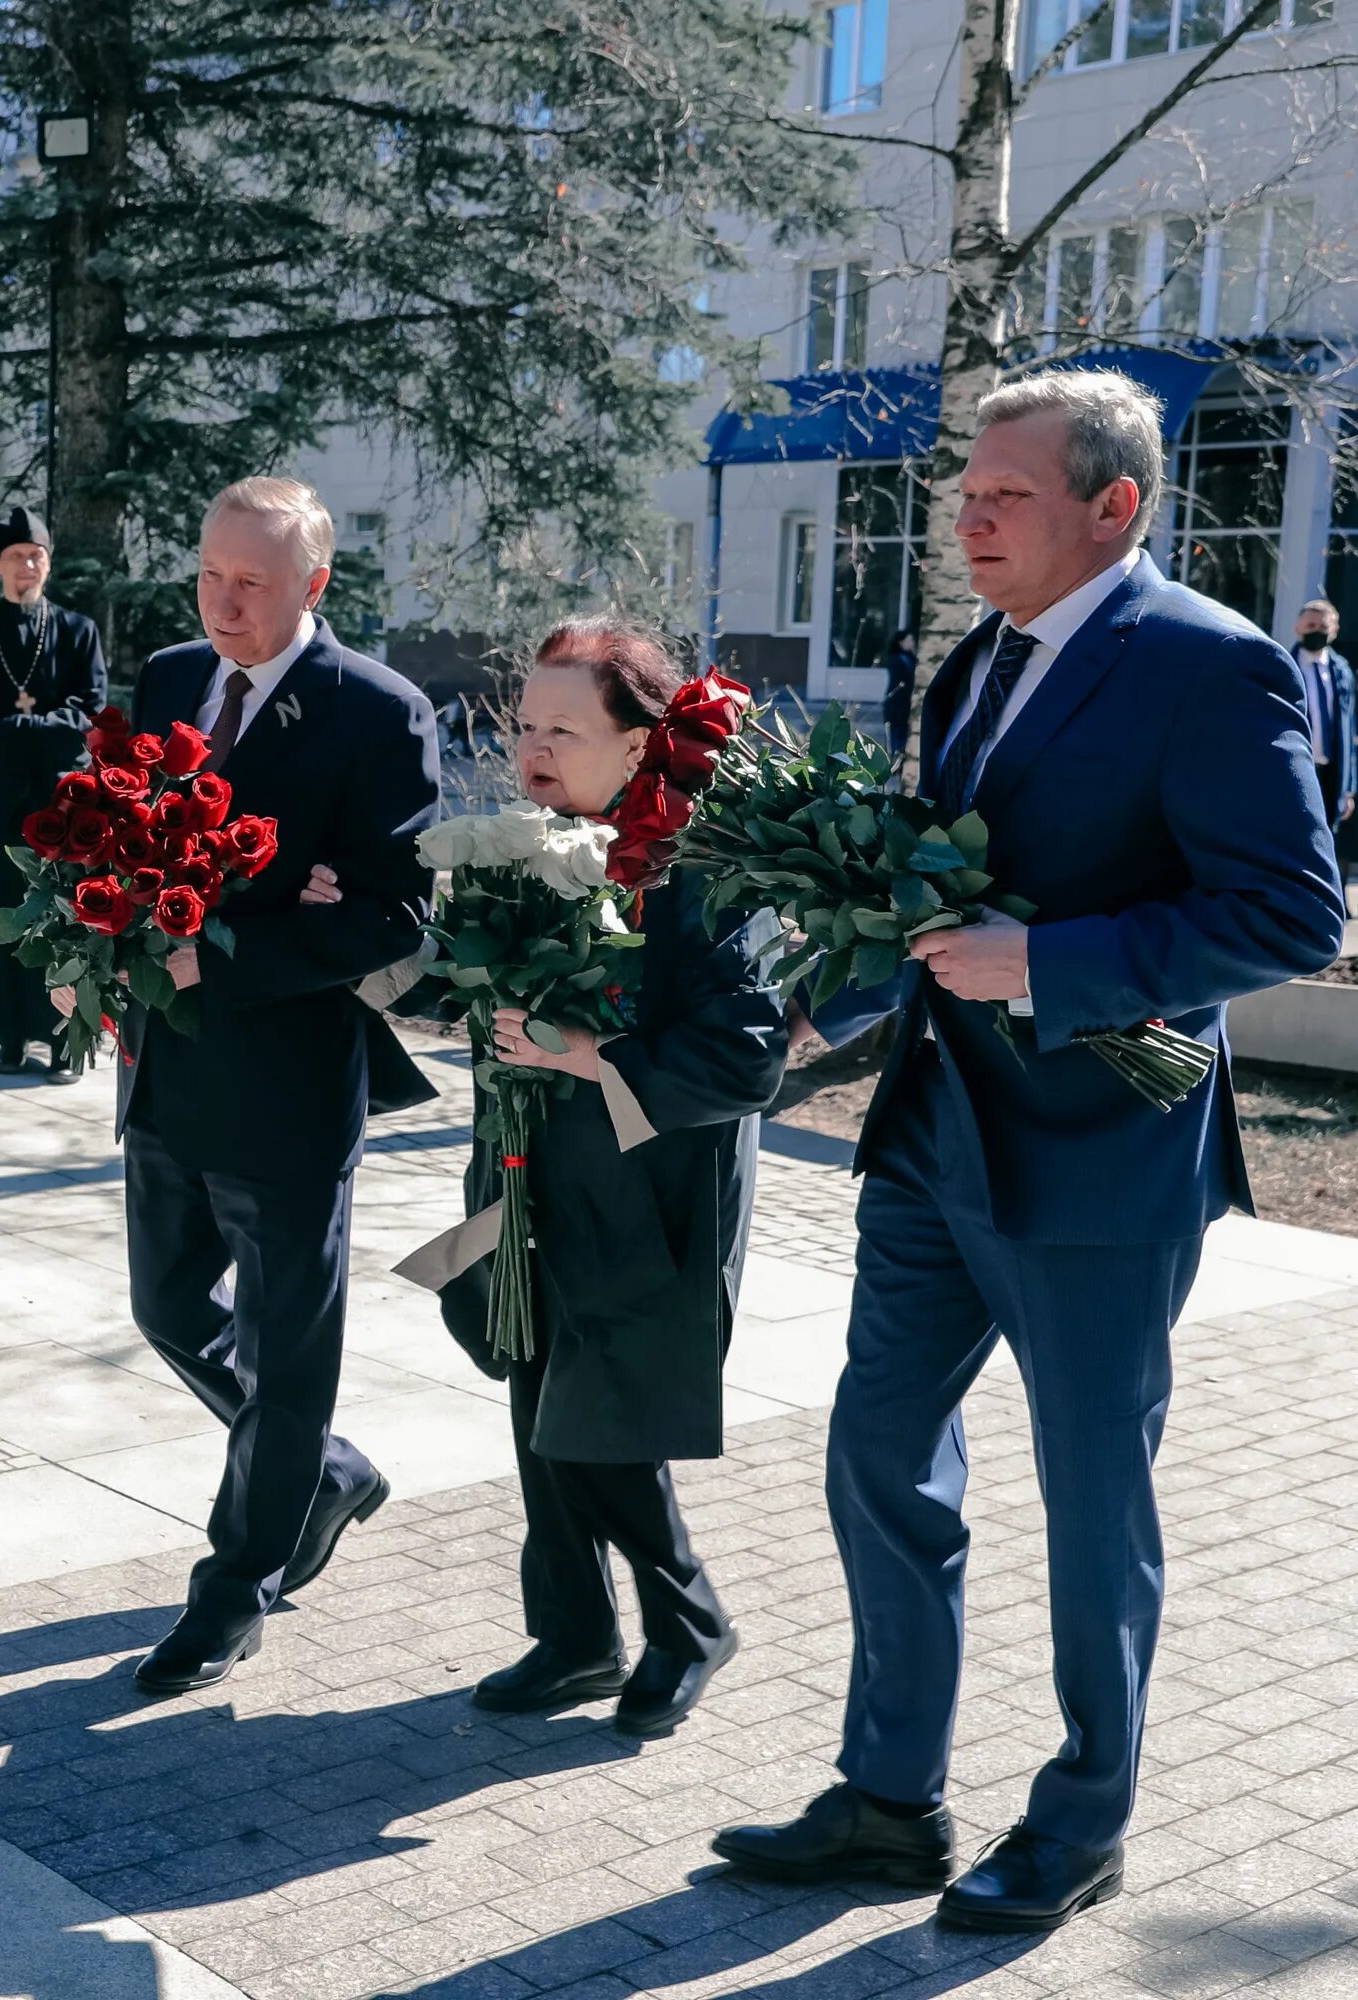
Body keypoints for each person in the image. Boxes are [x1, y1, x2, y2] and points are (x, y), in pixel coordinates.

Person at [714, 374, 1345, 1930]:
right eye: (966, 494)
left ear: (1113, 507)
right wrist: (819, 1005)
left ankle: (1080, 1822)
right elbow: (933, 880)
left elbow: (1294, 914)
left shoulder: (1216, 668)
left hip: (1102, 1165)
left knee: (1089, 1503)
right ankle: (887, 1800)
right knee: (879, 1458)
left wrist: (1055, 965)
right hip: (936, 1138)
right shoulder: (975, 657)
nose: (967, 520)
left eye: (1003, 496)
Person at [322, 619, 787, 1739]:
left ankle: (690, 1622)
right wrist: (365, 947)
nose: (531, 747)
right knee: (541, 1406)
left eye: (562, 728)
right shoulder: (528, 843)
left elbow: (748, 1056)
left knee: (599, 1423)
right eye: (524, 724)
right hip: (530, 1178)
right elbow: (477, 995)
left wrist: (587, 1054)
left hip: (649, 1188)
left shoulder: (698, 868)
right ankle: (576, 1634)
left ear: (639, 744)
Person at [79, 476, 442, 1699]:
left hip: (289, 1090)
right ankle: (323, 1471)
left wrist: (237, 946)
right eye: (211, 575)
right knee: (168, 1306)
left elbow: (397, 919)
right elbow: (119, 844)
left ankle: (236, 1588)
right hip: (166, 1066)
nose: (225, 603)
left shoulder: (378, 713)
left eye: (254, 583)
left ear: (313, 586)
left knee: (290, 1354)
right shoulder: (175, 677)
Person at [0, 507, 108, 1077]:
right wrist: (22, 732)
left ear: (48, 563)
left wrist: (25, 729)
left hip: (58, 805)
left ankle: (66, 1041)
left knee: (63, 918)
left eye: (36, 555)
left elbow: (89, 712)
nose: (27, 565)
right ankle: (10, 1036)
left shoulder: (79, 632)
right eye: (16, 556)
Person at [1293, 600, 1355, 871]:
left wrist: (1348, 788)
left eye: (1322, 626)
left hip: (1331, 772)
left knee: (1327, 840)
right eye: (1310, 625)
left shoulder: (1341, 671)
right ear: (1298, 627)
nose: (1316, 631)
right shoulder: (1285, 664)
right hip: (1296, 767)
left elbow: (1349, 727)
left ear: (1335, 630)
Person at [880, 632, 919, 761]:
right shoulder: (898, 659)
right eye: (909, 640)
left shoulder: (909, 658)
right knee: (897, 736)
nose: (912, 643)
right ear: (901, 642)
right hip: (897, 704)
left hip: (904, 703)